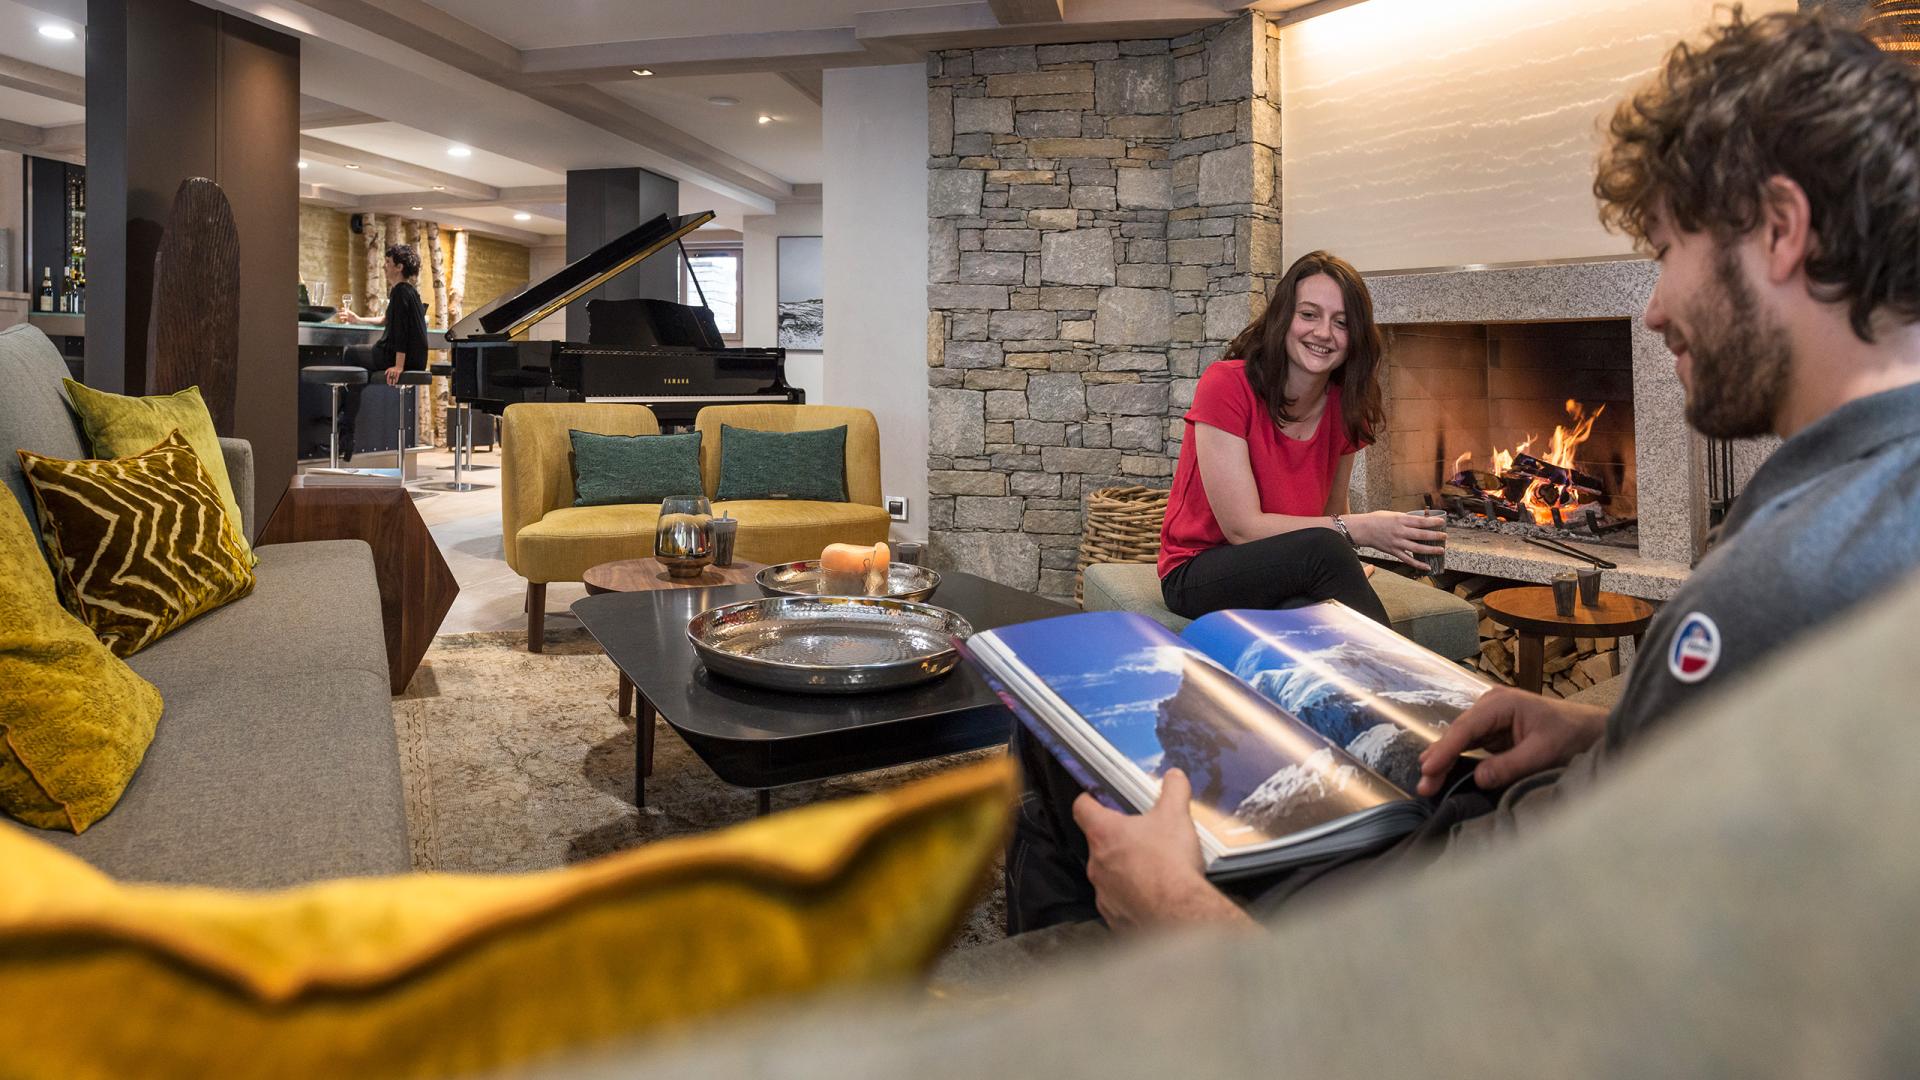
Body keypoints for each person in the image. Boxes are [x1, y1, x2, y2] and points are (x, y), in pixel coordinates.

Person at [1008, 7, 1920, 936]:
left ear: (1780, 230)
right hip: (1487, 792)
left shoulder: (1808, 574)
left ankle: (1080, 1011)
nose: (1652, 312)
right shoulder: (1840, 503)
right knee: (1071, 744)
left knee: (1052, 758)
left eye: (1666, 252)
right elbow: (1723, 776)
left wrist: (1176, 912)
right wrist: (1604, 731)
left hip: (1437, 899)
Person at [1157, 250, 1445, 625]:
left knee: (1312, 618)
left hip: (1287, 570)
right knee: (1324, 549)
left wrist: (1343, 564)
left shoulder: (1345, 406)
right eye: (1309, 315)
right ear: (1283, 318)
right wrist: (1361, 532)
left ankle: (1364, 681)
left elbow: (1331, 512)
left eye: (1341, 322)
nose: (1323, 333)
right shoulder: (1227, 384)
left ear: (1355, 336)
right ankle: (1405, 680)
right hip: (1198, 572)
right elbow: (1241, 528)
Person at [334, 243, 432, 459]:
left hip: (399, 357)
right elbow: (388, 320)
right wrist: (358, 319)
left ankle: (346, 428)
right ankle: (346, 426)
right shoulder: (410, 292)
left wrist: (398, 365)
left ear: (399, 266)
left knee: (351, 354)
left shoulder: (399, 292)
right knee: (360, 373)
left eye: (388, 263)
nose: (384, 267)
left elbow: (400, 332)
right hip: (417, 359)